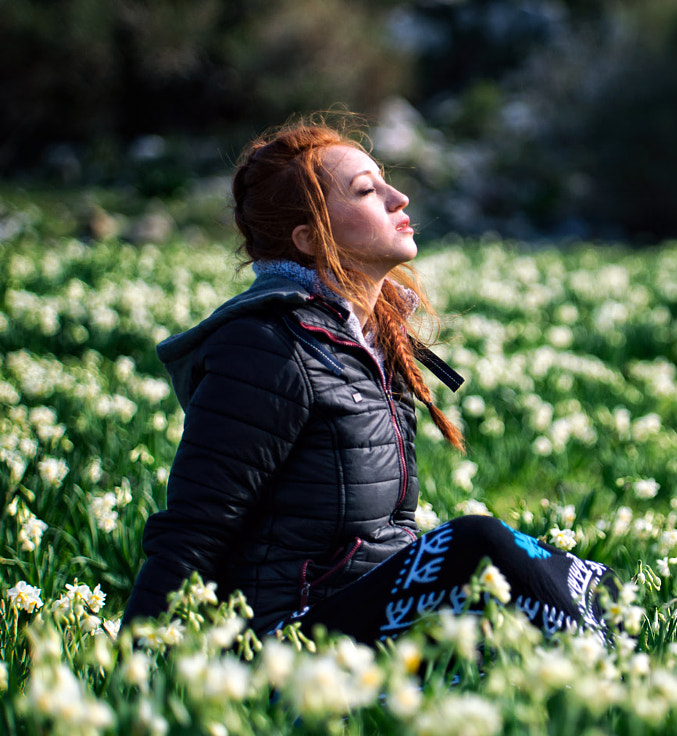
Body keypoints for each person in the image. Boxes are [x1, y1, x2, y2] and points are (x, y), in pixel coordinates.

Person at [121, 118, 616, 644]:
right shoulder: (266, 346)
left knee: (596, 583)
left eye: (385, 181)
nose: (399, 197)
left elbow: (392, 535)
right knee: (478, 544)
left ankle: (617, 687)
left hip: (367, 618)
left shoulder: (376, 340)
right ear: (310, 239)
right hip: (287, 643)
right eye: (365, 190)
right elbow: (196, 528)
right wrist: (137, 667)